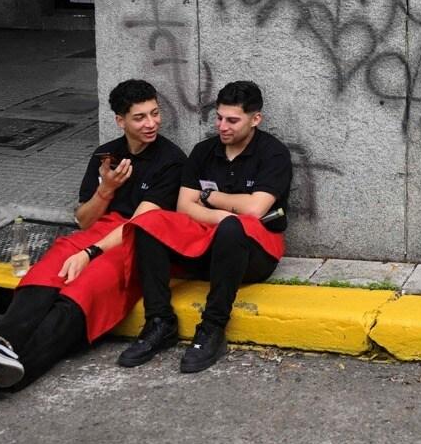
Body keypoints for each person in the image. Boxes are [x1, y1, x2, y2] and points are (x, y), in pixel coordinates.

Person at [0, 80, 184, 411]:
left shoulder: (171, 161)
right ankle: (1, 343)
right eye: (140, 117)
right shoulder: (106, 155)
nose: (151, 123)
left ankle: (0, 376)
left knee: (85, 288)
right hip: (97, 231)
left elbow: (141, 223)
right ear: (120, 121)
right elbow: (84, 221)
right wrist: (105, 189)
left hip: (135, 239)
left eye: (155, 113)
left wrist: (90, 253)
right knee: (48, 270)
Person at [117, 80, 292, 374]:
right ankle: (159, 322)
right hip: (204, 248)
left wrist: (209, 197)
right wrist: (227, 215)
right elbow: (184, 206)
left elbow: (255, 209)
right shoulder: (203, 151)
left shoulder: (273, 153)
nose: (222, 126)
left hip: (253, 254)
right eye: (219, 118)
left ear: (255, 119)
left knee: (233, 230)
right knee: (149, 221)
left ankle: (212, 328)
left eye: (232, 120)